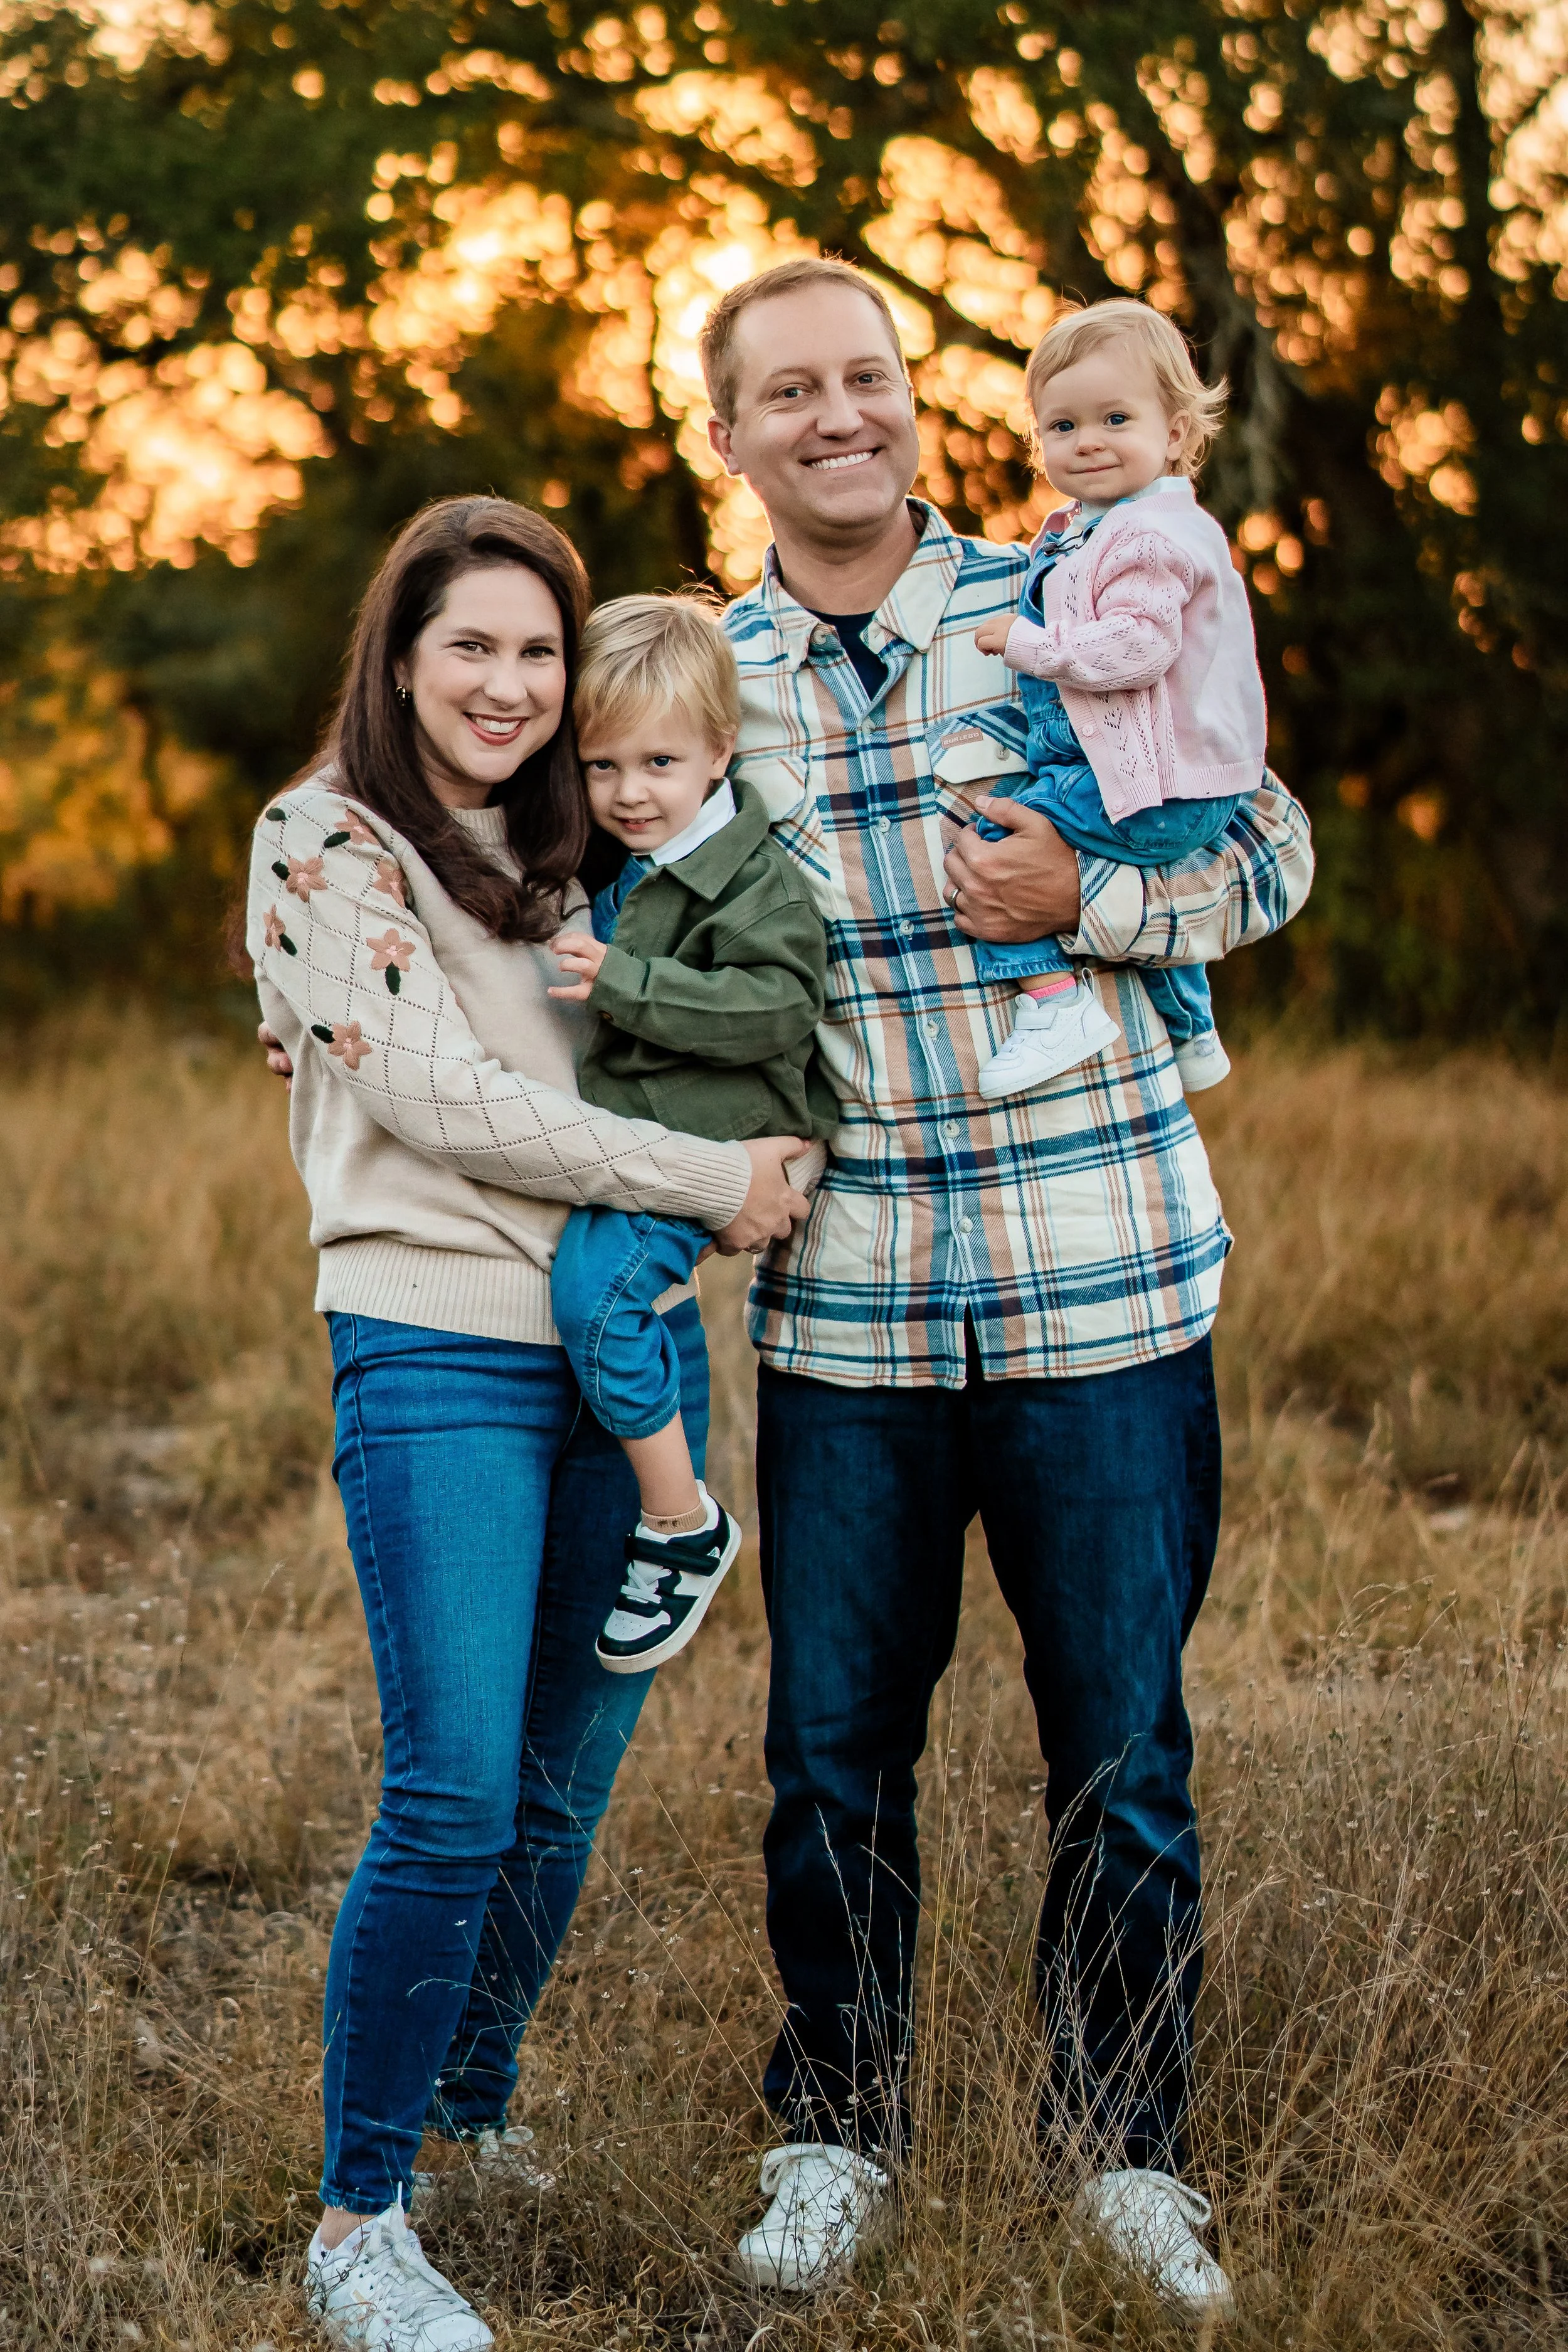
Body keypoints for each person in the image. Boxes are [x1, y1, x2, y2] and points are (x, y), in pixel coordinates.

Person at [696, 257, 1314, 2318]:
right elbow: (586, 874)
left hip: (1101, 1286)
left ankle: (1131, 2153)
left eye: (866, 378)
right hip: (853, 1311)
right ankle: (838, 2134)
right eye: (790, 393)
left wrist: (1100, 900)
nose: (839, 416)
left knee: (1123, 1751)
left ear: (910, 400)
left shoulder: (1079, 590)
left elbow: (1276, 846)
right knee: (831, 1754)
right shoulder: (713, 677)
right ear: (734, 437)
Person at [245, 495, 807, 2352]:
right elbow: (452, 1098)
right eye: (467, 643)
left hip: (626, 1357)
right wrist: (713, 1170)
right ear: (399, 654)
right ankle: (361, 2217)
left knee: (558, 1795)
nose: (504, 681)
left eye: (534, 649)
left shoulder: (596, 845)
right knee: (456, 1785)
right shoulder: (320, 840)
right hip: (436, 1356)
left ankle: (472, 2116)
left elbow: (729, 931)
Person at [544, 591, 837, 1673]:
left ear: (720, 750)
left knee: (600, 1300)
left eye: (658, 765)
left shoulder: (753, 880)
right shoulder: (626, 856)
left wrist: (634, 984)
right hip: (644, 1138)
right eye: (603, 766)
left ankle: (680, 1522)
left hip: (719, 1135)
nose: (628, 793)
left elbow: (778, 1008)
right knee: (602, 1297)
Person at [959, 297, 1266, 1103]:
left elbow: (1139, 648)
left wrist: (1029, 645)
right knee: (1113, 850)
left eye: (1114, 418)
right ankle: (1192, 1033)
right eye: (1062, 427)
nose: (1086, 440)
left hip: (1161, 788)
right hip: (1184, 785)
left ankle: (1056, 1007)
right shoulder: (1096, 528)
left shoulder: (1143, 535)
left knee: (994, 840)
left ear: (1174, 432)